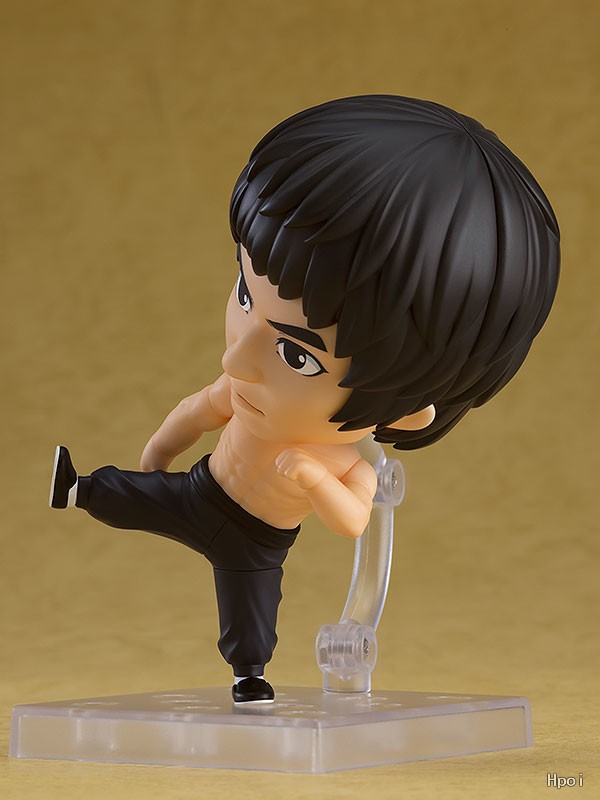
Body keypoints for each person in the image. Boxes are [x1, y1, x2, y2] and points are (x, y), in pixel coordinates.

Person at [50, 95, 560, 703]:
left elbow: (352, 521)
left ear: (402, 409)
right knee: (133, 497)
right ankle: (78, 488)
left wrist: (314, 479)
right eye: (245, 294)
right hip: (201, 490)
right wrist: (156, 460)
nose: (236, 360)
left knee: (250, 611)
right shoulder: (242, 392)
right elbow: (194, 413)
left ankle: (248, 676)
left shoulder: (346, 462)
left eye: (298, 355)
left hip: (257, 540)